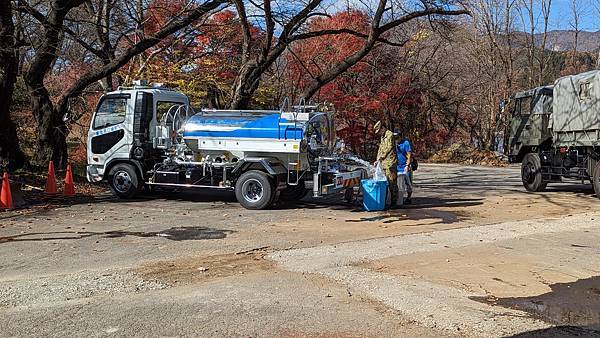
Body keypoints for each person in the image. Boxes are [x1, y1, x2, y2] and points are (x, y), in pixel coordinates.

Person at [374, 121, 398, 208]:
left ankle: (394, 202)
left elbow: (389, 148)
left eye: (379, 131)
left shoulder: (390, 135)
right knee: (384, 182)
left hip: (390, 163)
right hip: (383, 163)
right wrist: (377, 159)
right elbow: (380, 148)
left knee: (392, 183)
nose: (379, 133)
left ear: (383, 128)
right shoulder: (383, 136)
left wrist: (381, 157)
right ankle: (384, 202)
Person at [395, 129, 413, 204]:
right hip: (397, 165)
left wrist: (407, 165)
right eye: (394, 137)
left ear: (401, 136)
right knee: (397, 183)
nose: (396, 139)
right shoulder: (393, 143)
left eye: (397, 137)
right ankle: (398, 197)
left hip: (405, 166)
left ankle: (409, 197)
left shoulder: (406, 143)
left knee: (408, 182)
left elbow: (409, 155)